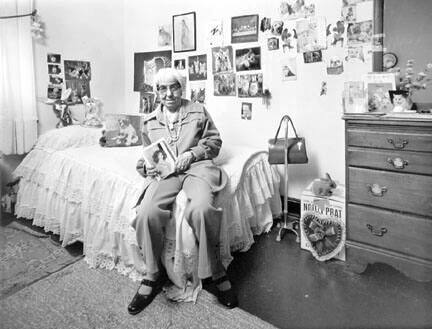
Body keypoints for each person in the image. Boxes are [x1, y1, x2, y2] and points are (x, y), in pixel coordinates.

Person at [128, 68, 238, 315]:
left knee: (201, 208)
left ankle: (216, 272)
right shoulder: (149, 122)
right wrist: (147, 166)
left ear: (182, 88)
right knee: (146, 213)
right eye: (163, 88)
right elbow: (147, 155)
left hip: (196, 168)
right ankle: (153, 274)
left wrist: (192, 154)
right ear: (157, 92)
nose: (169, 93)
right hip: (166, 173)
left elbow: (214, 143)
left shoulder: (198, 110)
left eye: (174, 87)